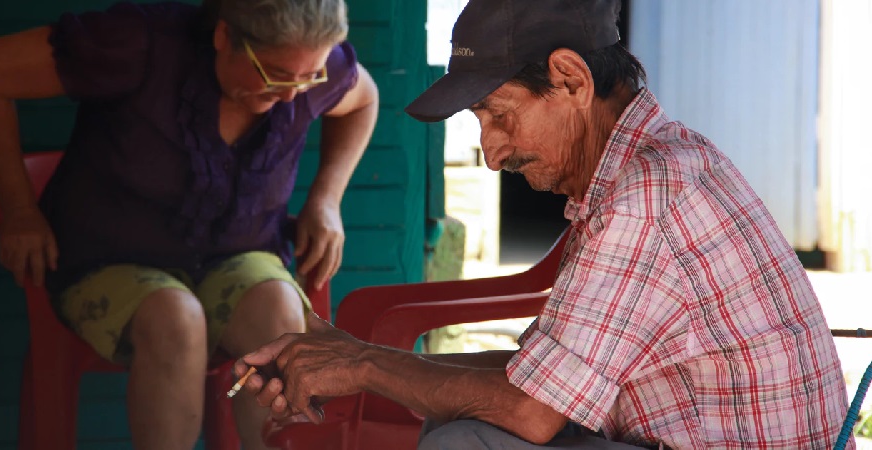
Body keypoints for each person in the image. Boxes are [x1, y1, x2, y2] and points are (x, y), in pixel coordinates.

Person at [233, 0, 855, 448]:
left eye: (499, 116)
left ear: (571, 79)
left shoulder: (645, 193)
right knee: (457, 418)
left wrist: (362, 366)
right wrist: (350, 354)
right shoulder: (641, 166)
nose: (492, 152)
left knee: (465, 443)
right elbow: (544, 376)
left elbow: (532, 410)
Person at [0, 0, 378, 448]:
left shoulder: (307, 65)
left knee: (278, 315)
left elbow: (363, 99)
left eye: (309, 76)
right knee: (175, 319)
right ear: (223, 38)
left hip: (240, 252)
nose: (293, 94)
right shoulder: (139, 44)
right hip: (111, 258)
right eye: (273, 73)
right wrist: (20, 209)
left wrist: (326, 200)